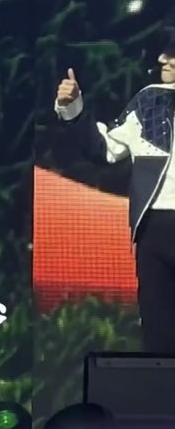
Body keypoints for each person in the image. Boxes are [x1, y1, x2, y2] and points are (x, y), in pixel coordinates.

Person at [54, 31, 175, 353]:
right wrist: (73, 108)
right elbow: (104, 150)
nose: (162, 59)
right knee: (158, 331)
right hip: (153, 230)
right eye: (164, 52)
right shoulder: (149, 102)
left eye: (172, 53)